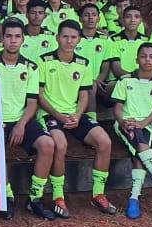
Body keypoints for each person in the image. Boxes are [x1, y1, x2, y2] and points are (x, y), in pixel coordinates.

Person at [37, 20, 116, 216]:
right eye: (65, 36)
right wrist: (59, 115)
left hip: (74, 115)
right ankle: (58, 196)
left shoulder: (83, 63)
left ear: (79, 40)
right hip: (50, 114)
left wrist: (78, 115)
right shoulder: (44, 61)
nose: (69, 41)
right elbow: (39, 95)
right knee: (60, 144)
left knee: (104, 142)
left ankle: (98, 194)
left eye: (73, 37)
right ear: (57, 38)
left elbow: (84, 96)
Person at [0, 19, 57, 220]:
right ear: (2, 39)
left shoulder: (31, 67)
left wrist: (21, 125)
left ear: (23, 39)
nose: (13, 40)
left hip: (22, 119)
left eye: (17, 36)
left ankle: (35, 198)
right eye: (9, 36)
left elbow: (32, 102)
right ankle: (7, 196)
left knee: (48, 145)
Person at [112, 43, 152, 219]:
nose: (147, 60)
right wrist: (123, 121)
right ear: (137, 59)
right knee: (139, 140)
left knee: (139, 152)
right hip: (125, 123)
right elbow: (117, 108)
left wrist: (143, 123)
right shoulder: (125, 80)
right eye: (143, 56)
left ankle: (134, 198)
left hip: (147, 125)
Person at [109, 6, 149, 77]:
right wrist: (135, 78)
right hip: (119, 80)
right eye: (128, 17)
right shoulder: (112, 40)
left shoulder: (147, 41)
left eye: (136, 17)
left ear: (140, 20)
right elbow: (116, 68)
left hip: (142, 80)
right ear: (122, 20)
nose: (132, 20)